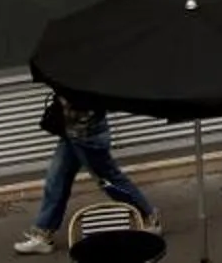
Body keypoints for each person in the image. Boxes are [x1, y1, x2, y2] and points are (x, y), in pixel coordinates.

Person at [13, 91, 157, 254]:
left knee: (110, 180)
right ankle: (43, 234)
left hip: (88, 135)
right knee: (56, 180)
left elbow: (87, 98)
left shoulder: (83, 75)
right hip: (71, 132)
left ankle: (148, 217)